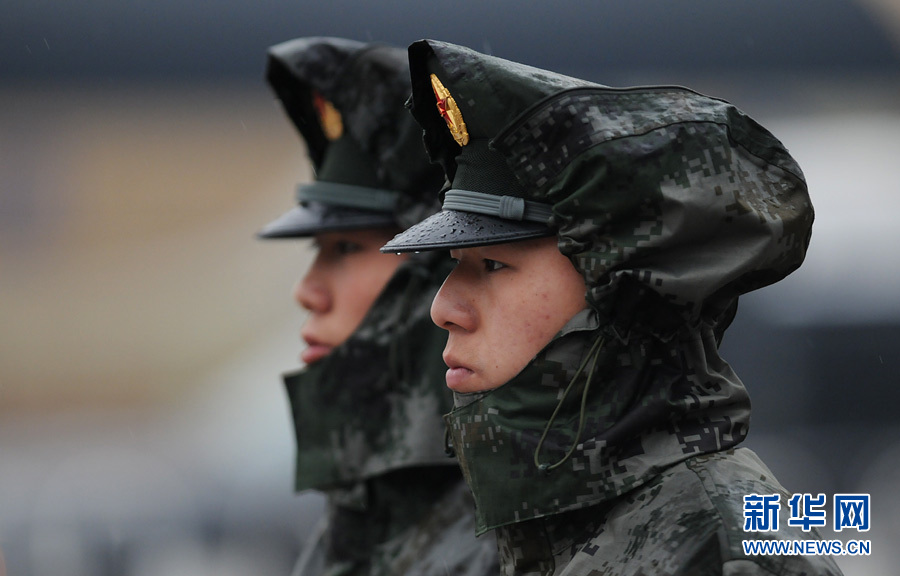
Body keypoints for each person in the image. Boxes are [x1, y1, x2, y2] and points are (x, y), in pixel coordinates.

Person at [382, 39, 845, 575]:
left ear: (617, 293)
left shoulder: (724, 548)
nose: (444, 308)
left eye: (493, 266)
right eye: (454, 265)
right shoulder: (541, 525)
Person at [258, 37, 497, 576]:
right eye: (317, 251)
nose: (308, 291)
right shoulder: (368, 510)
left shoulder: (504, 531)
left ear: (437, 271)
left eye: (345, 249)